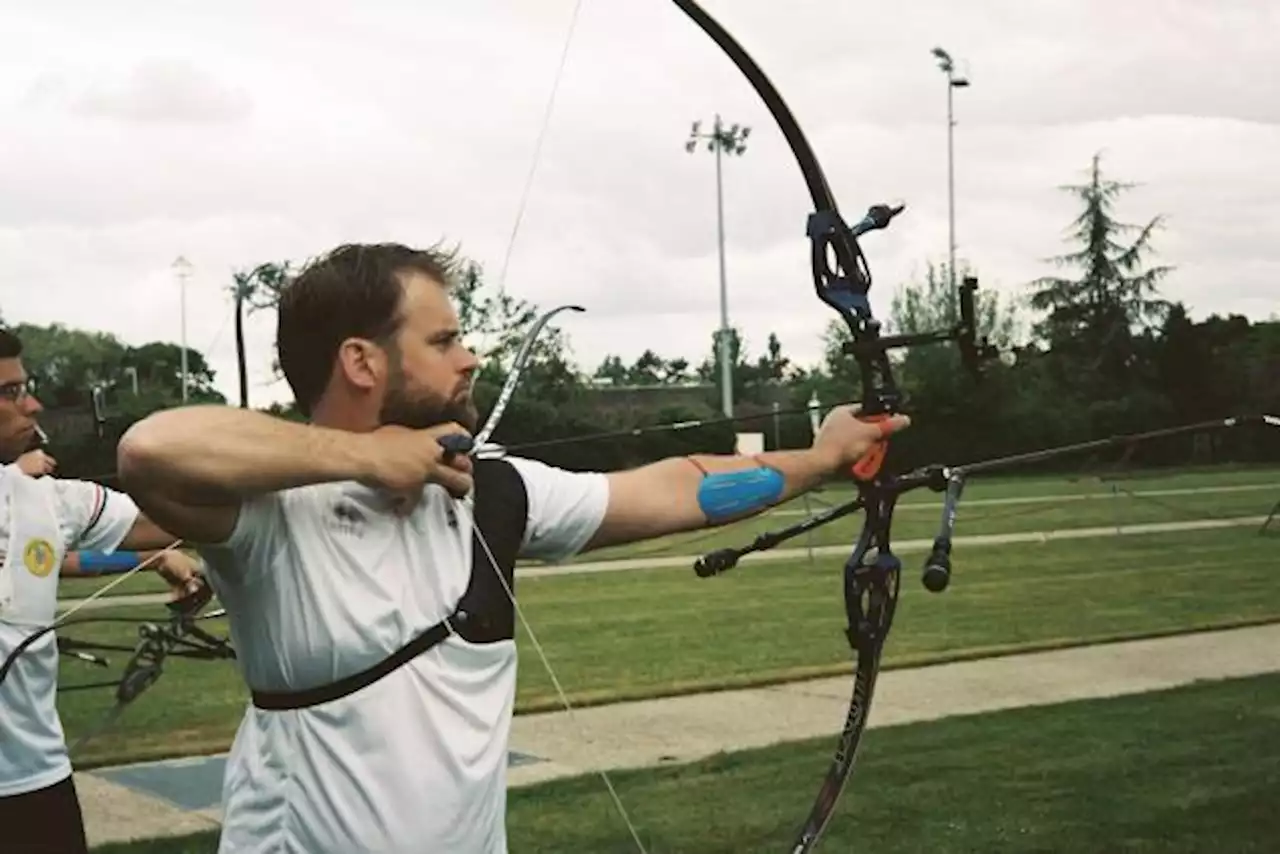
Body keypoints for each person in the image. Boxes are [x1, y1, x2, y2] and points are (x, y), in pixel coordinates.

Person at [116, 242, 910, 854]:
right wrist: (366, 456)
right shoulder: (269, 509)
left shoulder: (491, 490)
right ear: (362, 360)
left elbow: (673, 489)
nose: (471, 355)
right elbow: (151, 448)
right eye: (444, 339)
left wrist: (820, 459)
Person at [0, 327, 204, 854]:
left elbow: (171, 520)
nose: (32, 404)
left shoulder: (49, 502)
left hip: (32, 784)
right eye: (10, 393)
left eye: (24, 386)